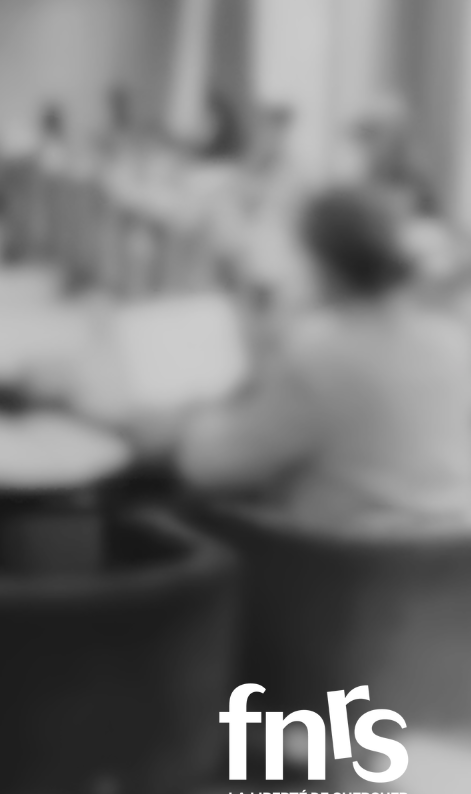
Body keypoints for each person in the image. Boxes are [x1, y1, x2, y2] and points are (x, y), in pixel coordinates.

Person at [170, 184, 471, 537]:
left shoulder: (318, 352)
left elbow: (208, 467)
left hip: (337, 563)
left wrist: (193, 419)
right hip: (450, 557)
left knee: (176, 511)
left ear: (318, 263)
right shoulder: (451, 340)